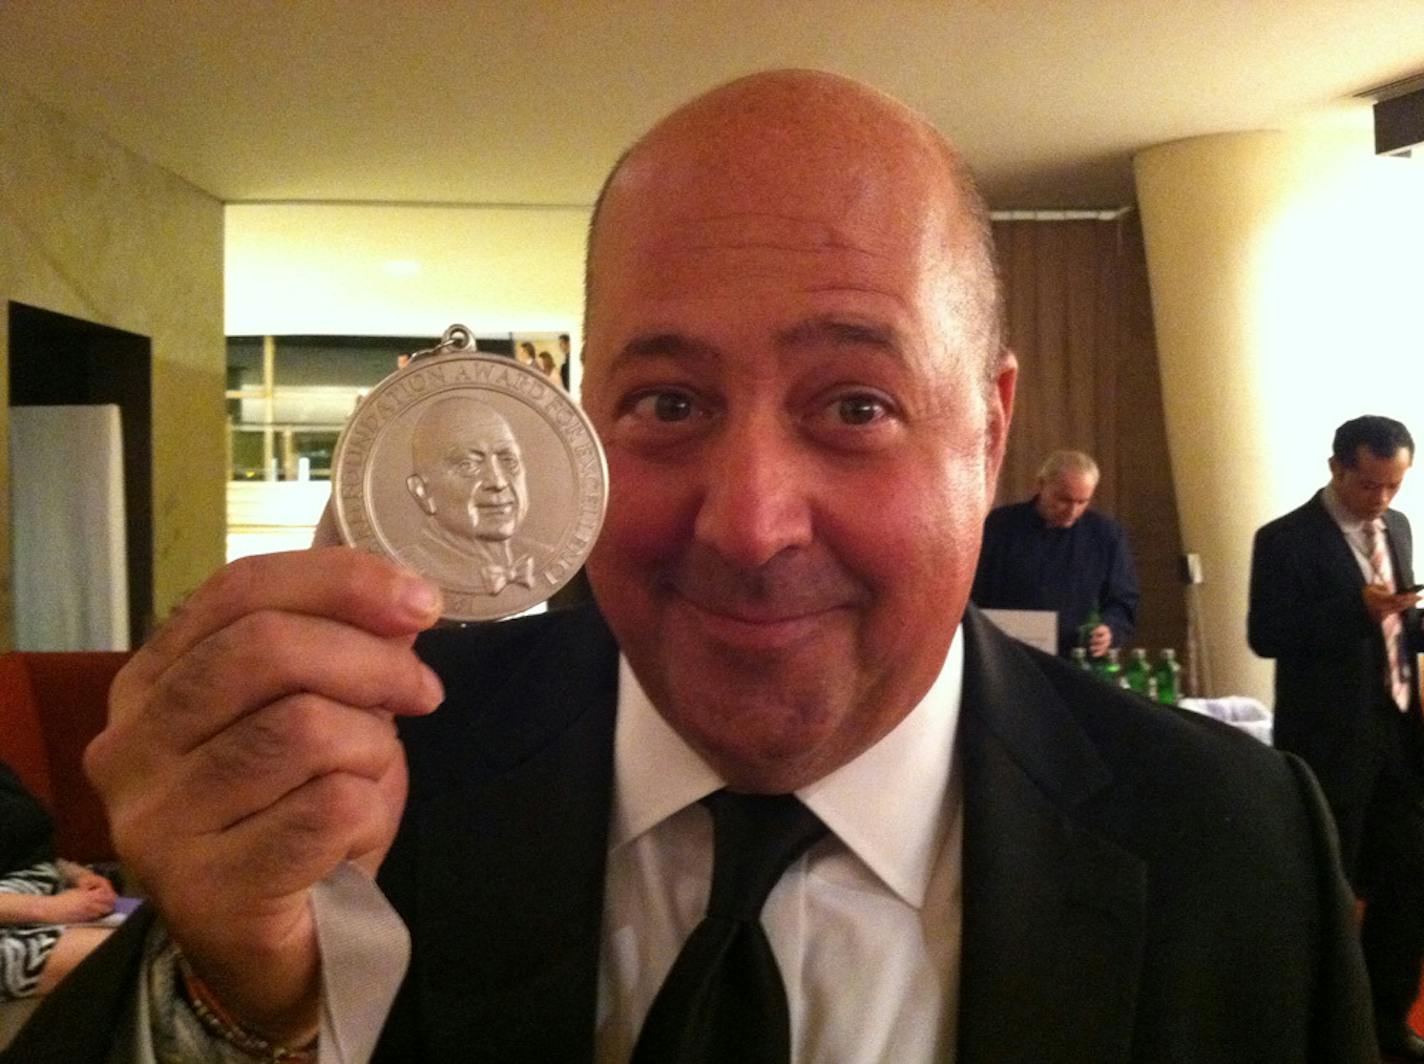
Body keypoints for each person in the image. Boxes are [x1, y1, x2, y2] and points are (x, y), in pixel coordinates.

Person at [11, 70, 1374, 1063]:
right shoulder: (368, 789)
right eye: (668, 404)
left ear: (990, 431)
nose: (749, 525)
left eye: (855, 406)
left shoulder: (1237, 853)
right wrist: (231, 999)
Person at [1249, 414, 1424, 1060]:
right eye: (1370, 486)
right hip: (1329, 746)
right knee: (1325, 896)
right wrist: (1358, 611)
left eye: (1394, 486)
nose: (1381, 500)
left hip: (1402, 742)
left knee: (1409, 889)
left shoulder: (1397, 530)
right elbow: (1265, 633)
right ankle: (1327, 1035)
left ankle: (1385, 1023)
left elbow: (1394, 632)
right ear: (1337, 468)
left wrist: (1409, 618)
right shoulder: (1285, 540)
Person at [970, 449, 1139, 657]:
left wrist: (1110, 629)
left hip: (1076, 658)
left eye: (1082, 502)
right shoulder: (999, 526)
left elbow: (1122, 600)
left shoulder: (1106, 535)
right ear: (1041, 485)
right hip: (1006, 654)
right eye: (1064, 500)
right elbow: (972, 592)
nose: (1072, 511)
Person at [1, 761, 116, 1003]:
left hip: (39, 893)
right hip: (24, 908)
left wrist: (77, 875)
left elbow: (22, 846)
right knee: (142, 950)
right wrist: (48, 909)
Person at [401, 395, 537, 595]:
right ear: (422, 492)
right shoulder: (403, 572)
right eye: (468, 465)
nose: (498, 482)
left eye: (509, 460)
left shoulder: (544, 557)